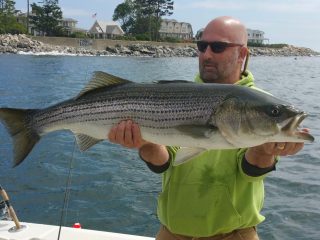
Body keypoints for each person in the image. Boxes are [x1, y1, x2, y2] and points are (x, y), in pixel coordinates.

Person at [108, 16, 306, 240]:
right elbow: (165, 162)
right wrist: (144, 143)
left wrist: (266, 149)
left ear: (242, 54)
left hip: (234, 235)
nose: (206, 54)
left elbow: (250, 172)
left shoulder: (266, 107)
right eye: (202, 46)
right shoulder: (177, 96)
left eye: (218, 47)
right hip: (171, 234)